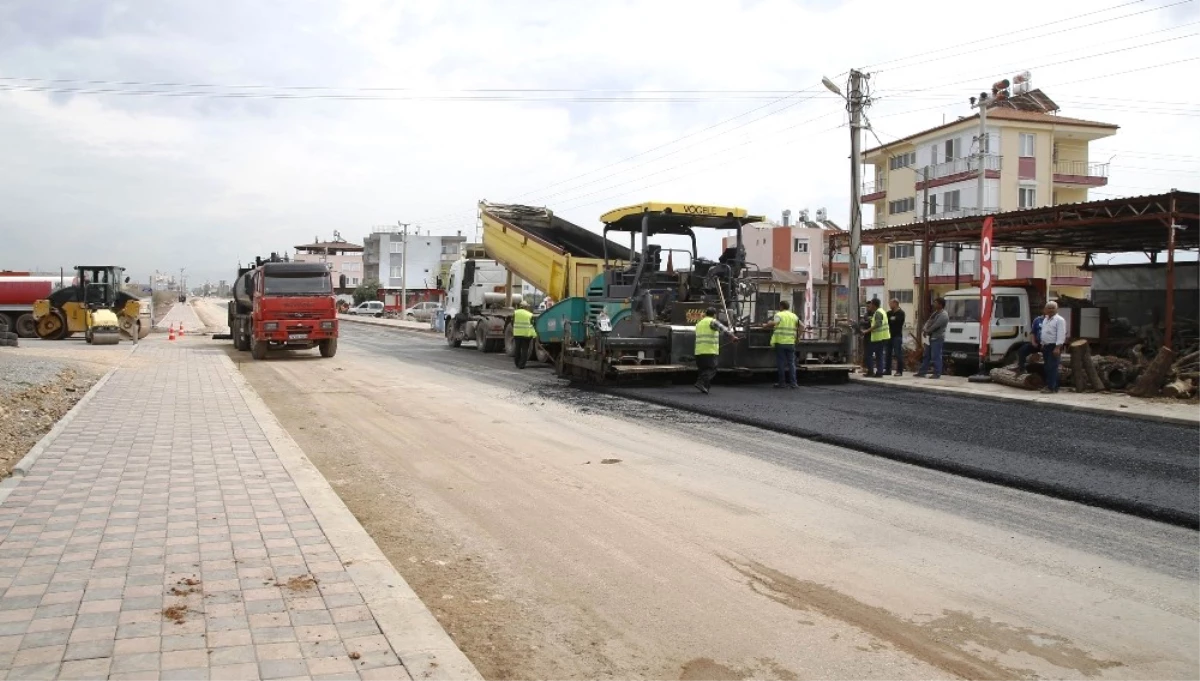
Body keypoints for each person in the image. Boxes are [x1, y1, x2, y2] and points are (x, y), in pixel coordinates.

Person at [693, 307, 737, 394]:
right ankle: (700, 383)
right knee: (711, 369)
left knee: (703, 370)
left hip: (699, 351)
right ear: (714, 315)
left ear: (706, 314)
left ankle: (705, 388)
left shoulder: (699, 323)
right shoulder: (712, 321)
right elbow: (724, 330)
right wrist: (733, 337)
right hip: (709, 351)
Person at [764, 300, 800, 389]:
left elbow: (774, 323)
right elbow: (802, 326)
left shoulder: (779, 315)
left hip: (780, 342)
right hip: (791, 342)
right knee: (791, 363)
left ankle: (782, 383)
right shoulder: (793, 316)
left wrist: (766, 324)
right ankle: (794, 383)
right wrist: (798, 337)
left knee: (781, 363)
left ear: (781, 306)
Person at [1039, 301, 1068, 393]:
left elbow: (1061, 334)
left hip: (1054, 346)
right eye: (1049, 308)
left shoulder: (1059, 320)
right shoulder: (1045, 319)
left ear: (1057, 309)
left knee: (1052, 367)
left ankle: (1051, 387)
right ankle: (1053, 386)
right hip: (1046, 346)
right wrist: (1042, 344)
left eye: (1053, 308)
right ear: (1045, 309)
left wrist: (1057, 347)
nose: (1051, 310)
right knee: (1047, 367)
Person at [916, 297, 948, 379]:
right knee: (926, 355)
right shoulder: (935, 313)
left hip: (937, 338)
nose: (934, 304)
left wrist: (927, 331)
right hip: (930, 338)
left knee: (936, 356)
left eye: (936, 303)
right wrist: (924, 329)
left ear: (940, 305)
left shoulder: (943, 315)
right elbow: (928, 321)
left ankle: (937, 373)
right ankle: (922, 372)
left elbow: (936, 325)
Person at [864, 299, 890, 378]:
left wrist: (867, 331)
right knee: (879, 355)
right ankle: (879, 372)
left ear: (874, 305)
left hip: (878, 337)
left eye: (871, 304)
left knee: (868, 354)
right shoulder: (882, 311)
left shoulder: (878, 313)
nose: (870, 306)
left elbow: (878, 324)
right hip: (883, 337)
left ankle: (871, 371)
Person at [883, 298, 906, 376]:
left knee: (897, 354)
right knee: (888, 354)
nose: (889, 305)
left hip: (897, 336)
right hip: (889, 336)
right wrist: (891, 320)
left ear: (895, 303)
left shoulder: (901, 313)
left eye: (891, 303)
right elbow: (886, 321)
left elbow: (897, 322)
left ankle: (899, 371)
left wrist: (891, 320)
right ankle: (887, 370)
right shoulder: (889, 313)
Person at [511, 302, 537, 370]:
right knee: (525, 350)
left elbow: (512, 322)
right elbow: (532, 325)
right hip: (526, 335)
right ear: (526, 307)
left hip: (517, 334)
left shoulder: (515, 312)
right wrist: (534, 335)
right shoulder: (529, 314)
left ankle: (517, 363)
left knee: (517, 349)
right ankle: (521, 365)